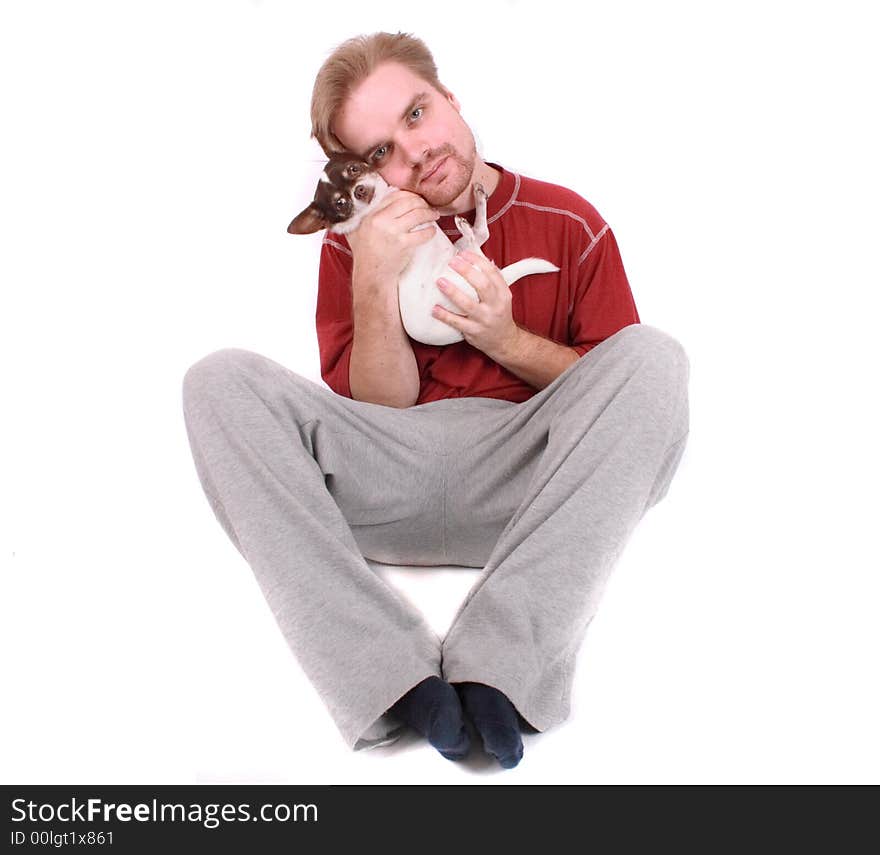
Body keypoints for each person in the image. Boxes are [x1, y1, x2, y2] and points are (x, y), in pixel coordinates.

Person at [181, 31, 690, 770]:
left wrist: (505, 338)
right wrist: (371, 276)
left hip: (533, 482)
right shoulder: (355, 240)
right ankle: (388, 676)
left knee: (654, 358)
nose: (413, 153)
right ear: (364, 171)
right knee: (216, 381)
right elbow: (379, 408)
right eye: (383, 150)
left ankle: (499, 666)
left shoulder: (570, 220)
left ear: (449, 99)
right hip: (388, 472)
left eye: (417, 114)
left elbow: (621, 403)